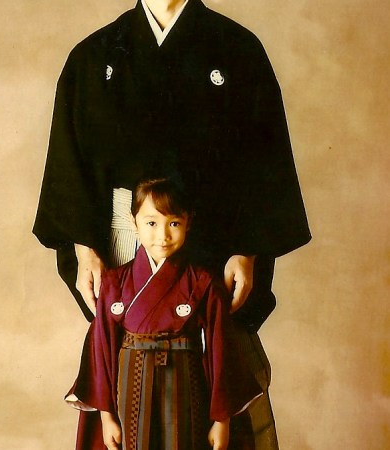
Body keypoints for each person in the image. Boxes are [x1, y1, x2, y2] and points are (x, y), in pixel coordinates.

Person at [33, 0, 311, 448]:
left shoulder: (238, 49)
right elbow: (71, 164)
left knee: (221, 369)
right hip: (126, 246)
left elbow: (265, 159)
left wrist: (247, 250)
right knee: (123, 379)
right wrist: (84, 247)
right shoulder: (95, 55)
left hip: (216, 243)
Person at [66, 177, 263, 450]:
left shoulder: (204, 283)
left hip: (185, 387)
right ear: (133, 222)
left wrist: (221, 420)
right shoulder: (114, 282)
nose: (163, 236)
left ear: (188, 223)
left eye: (174, 223)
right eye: (151, 223)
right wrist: (106, 415)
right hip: (129, 389)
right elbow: (101, 350)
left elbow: (221, 351)